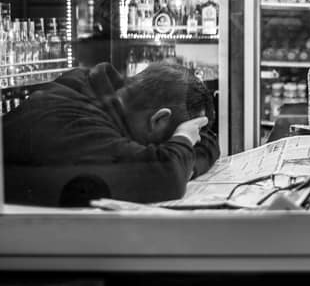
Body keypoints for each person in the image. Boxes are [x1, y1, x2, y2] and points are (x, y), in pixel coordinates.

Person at [3, 61, 220, 206]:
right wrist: (181, 148)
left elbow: (207, 140)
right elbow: (165, 177)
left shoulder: (102, 91)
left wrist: (184, 154)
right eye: (170, 138)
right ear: (159, 120)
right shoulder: (77, 122)